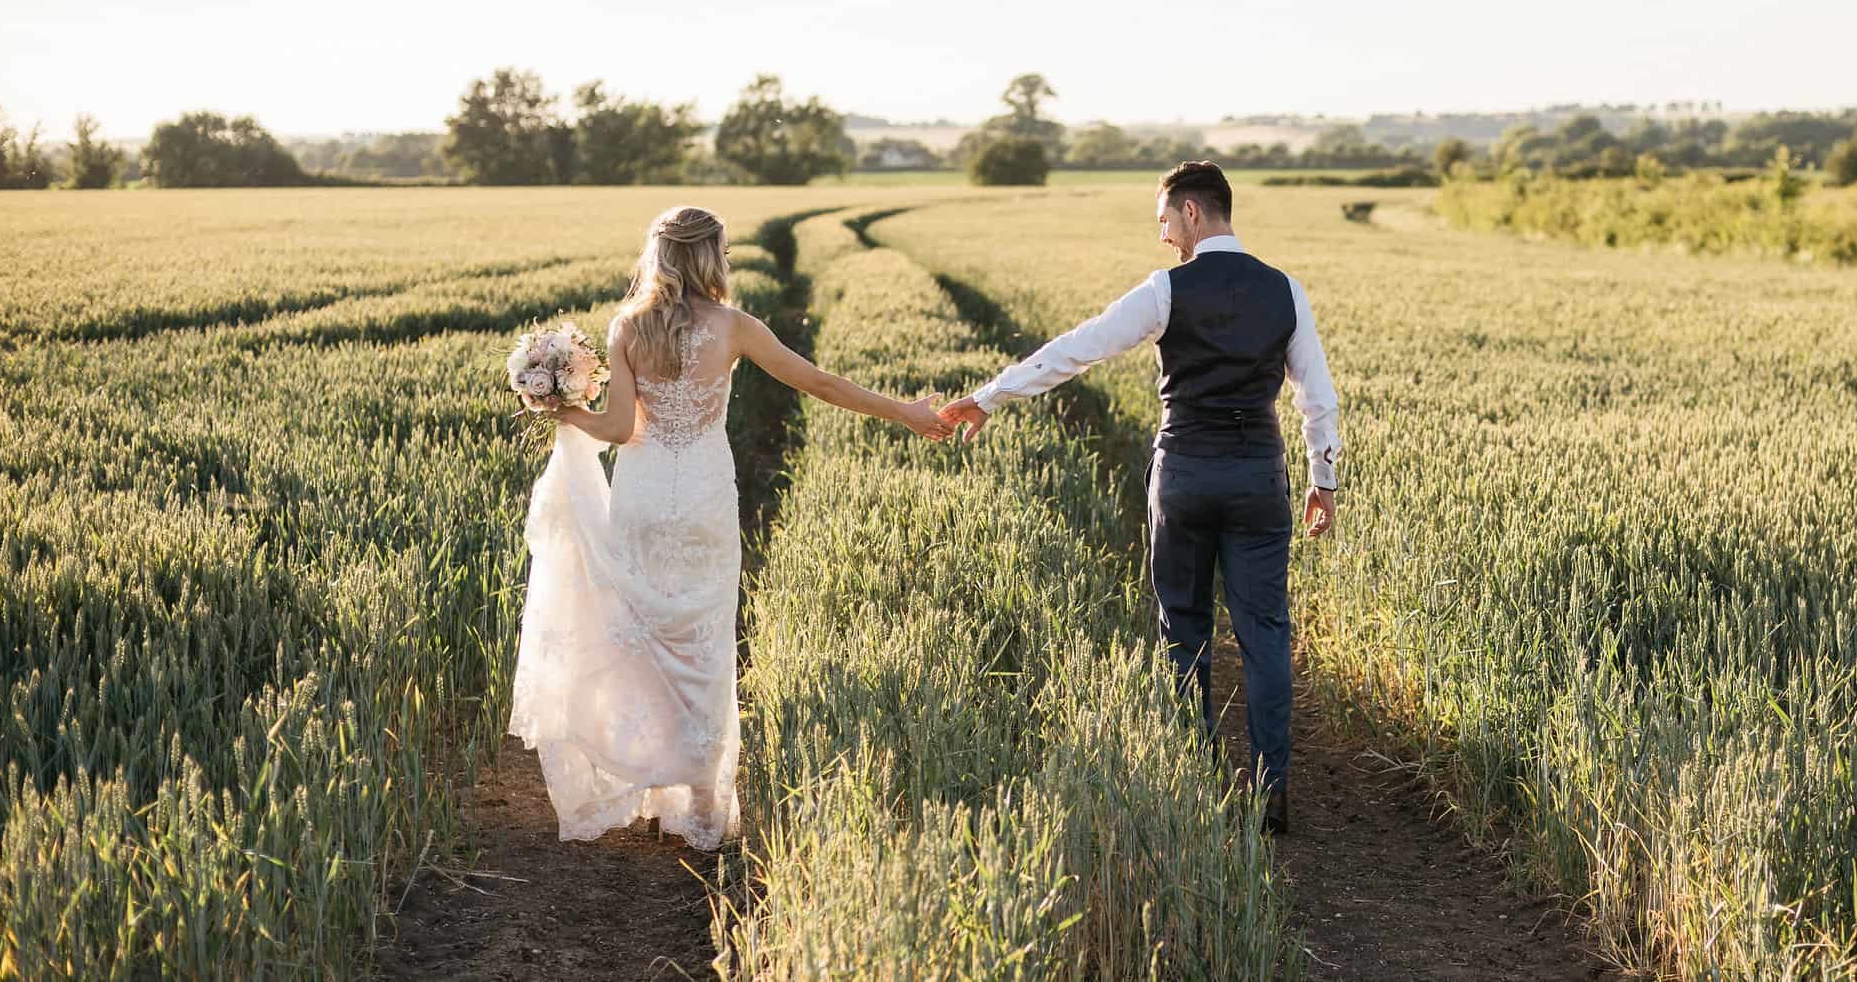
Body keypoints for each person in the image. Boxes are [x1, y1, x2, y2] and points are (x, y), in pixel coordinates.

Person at [508, 205, 949, 849]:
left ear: (655, 255)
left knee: (644, 634)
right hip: (705, 501)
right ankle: (703, 799)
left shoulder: (627, 327)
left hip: (643, 493)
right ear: (712, 257)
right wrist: (904, 412)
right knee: (703, 642)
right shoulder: (736, 328)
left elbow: (618, 428)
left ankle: (653, 783)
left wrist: (562, 409)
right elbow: (820, 383)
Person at [939, 161, 1340, 834]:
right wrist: (1322, 478)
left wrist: (988, 397)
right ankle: (1272, 790)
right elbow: (1316, 398)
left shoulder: (1166, 291)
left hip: (1183, 475)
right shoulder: (1286, 291)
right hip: (1257, 479)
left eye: (1163, 219)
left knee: (1183, 630)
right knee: (1266, 634)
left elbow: (1075, 351)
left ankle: (1200, 782)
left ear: (1191, 212)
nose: (1161, 236)